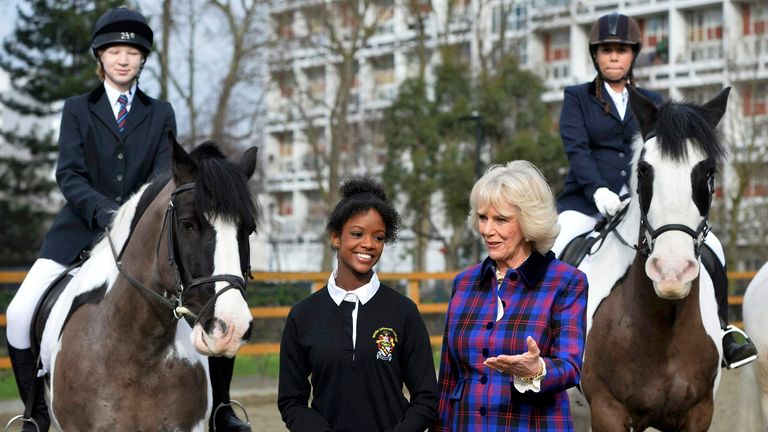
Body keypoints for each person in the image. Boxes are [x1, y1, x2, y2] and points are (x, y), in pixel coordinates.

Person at [4, 7, 245, 432]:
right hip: (79, 227)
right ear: (100, 57)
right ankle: (35, 414)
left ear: (142, 60)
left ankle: (222, 408)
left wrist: (132, 217)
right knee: (22, 311)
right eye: (114, 51)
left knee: (208, 302)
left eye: (131, 52)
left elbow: (161, 176)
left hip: (143, 235)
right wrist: (102, 211)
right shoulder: (78, 109)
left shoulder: (160, 113)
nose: (123, 59)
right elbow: (69, 174)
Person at [551, 11, 756, 369]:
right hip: (586, 202)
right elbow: (577, 149)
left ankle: (723, 330)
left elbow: (666, 158)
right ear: (595, 56)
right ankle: (545, 330)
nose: (614, 56)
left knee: (713, 246)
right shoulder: (577, 98)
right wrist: (598, 191)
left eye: (622, 49)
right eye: (606, 50)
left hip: (641, 204)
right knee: (556, 244)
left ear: (633, 54)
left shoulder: (652, 100)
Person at [433, 161, 588, 431]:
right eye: (483, 217)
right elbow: (448, 378)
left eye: (501, 219)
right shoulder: (464, 283)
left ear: (529, 221)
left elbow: (570, 367)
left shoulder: (566, 281)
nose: (487, 230)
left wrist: (537, 369)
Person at [278, 176, 438, 432]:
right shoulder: (303, 315)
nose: (368, 244)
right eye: (357, 234)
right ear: (335, 237)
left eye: (378, 237)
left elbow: (427, 398)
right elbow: (291, 401)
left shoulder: (403, 311)